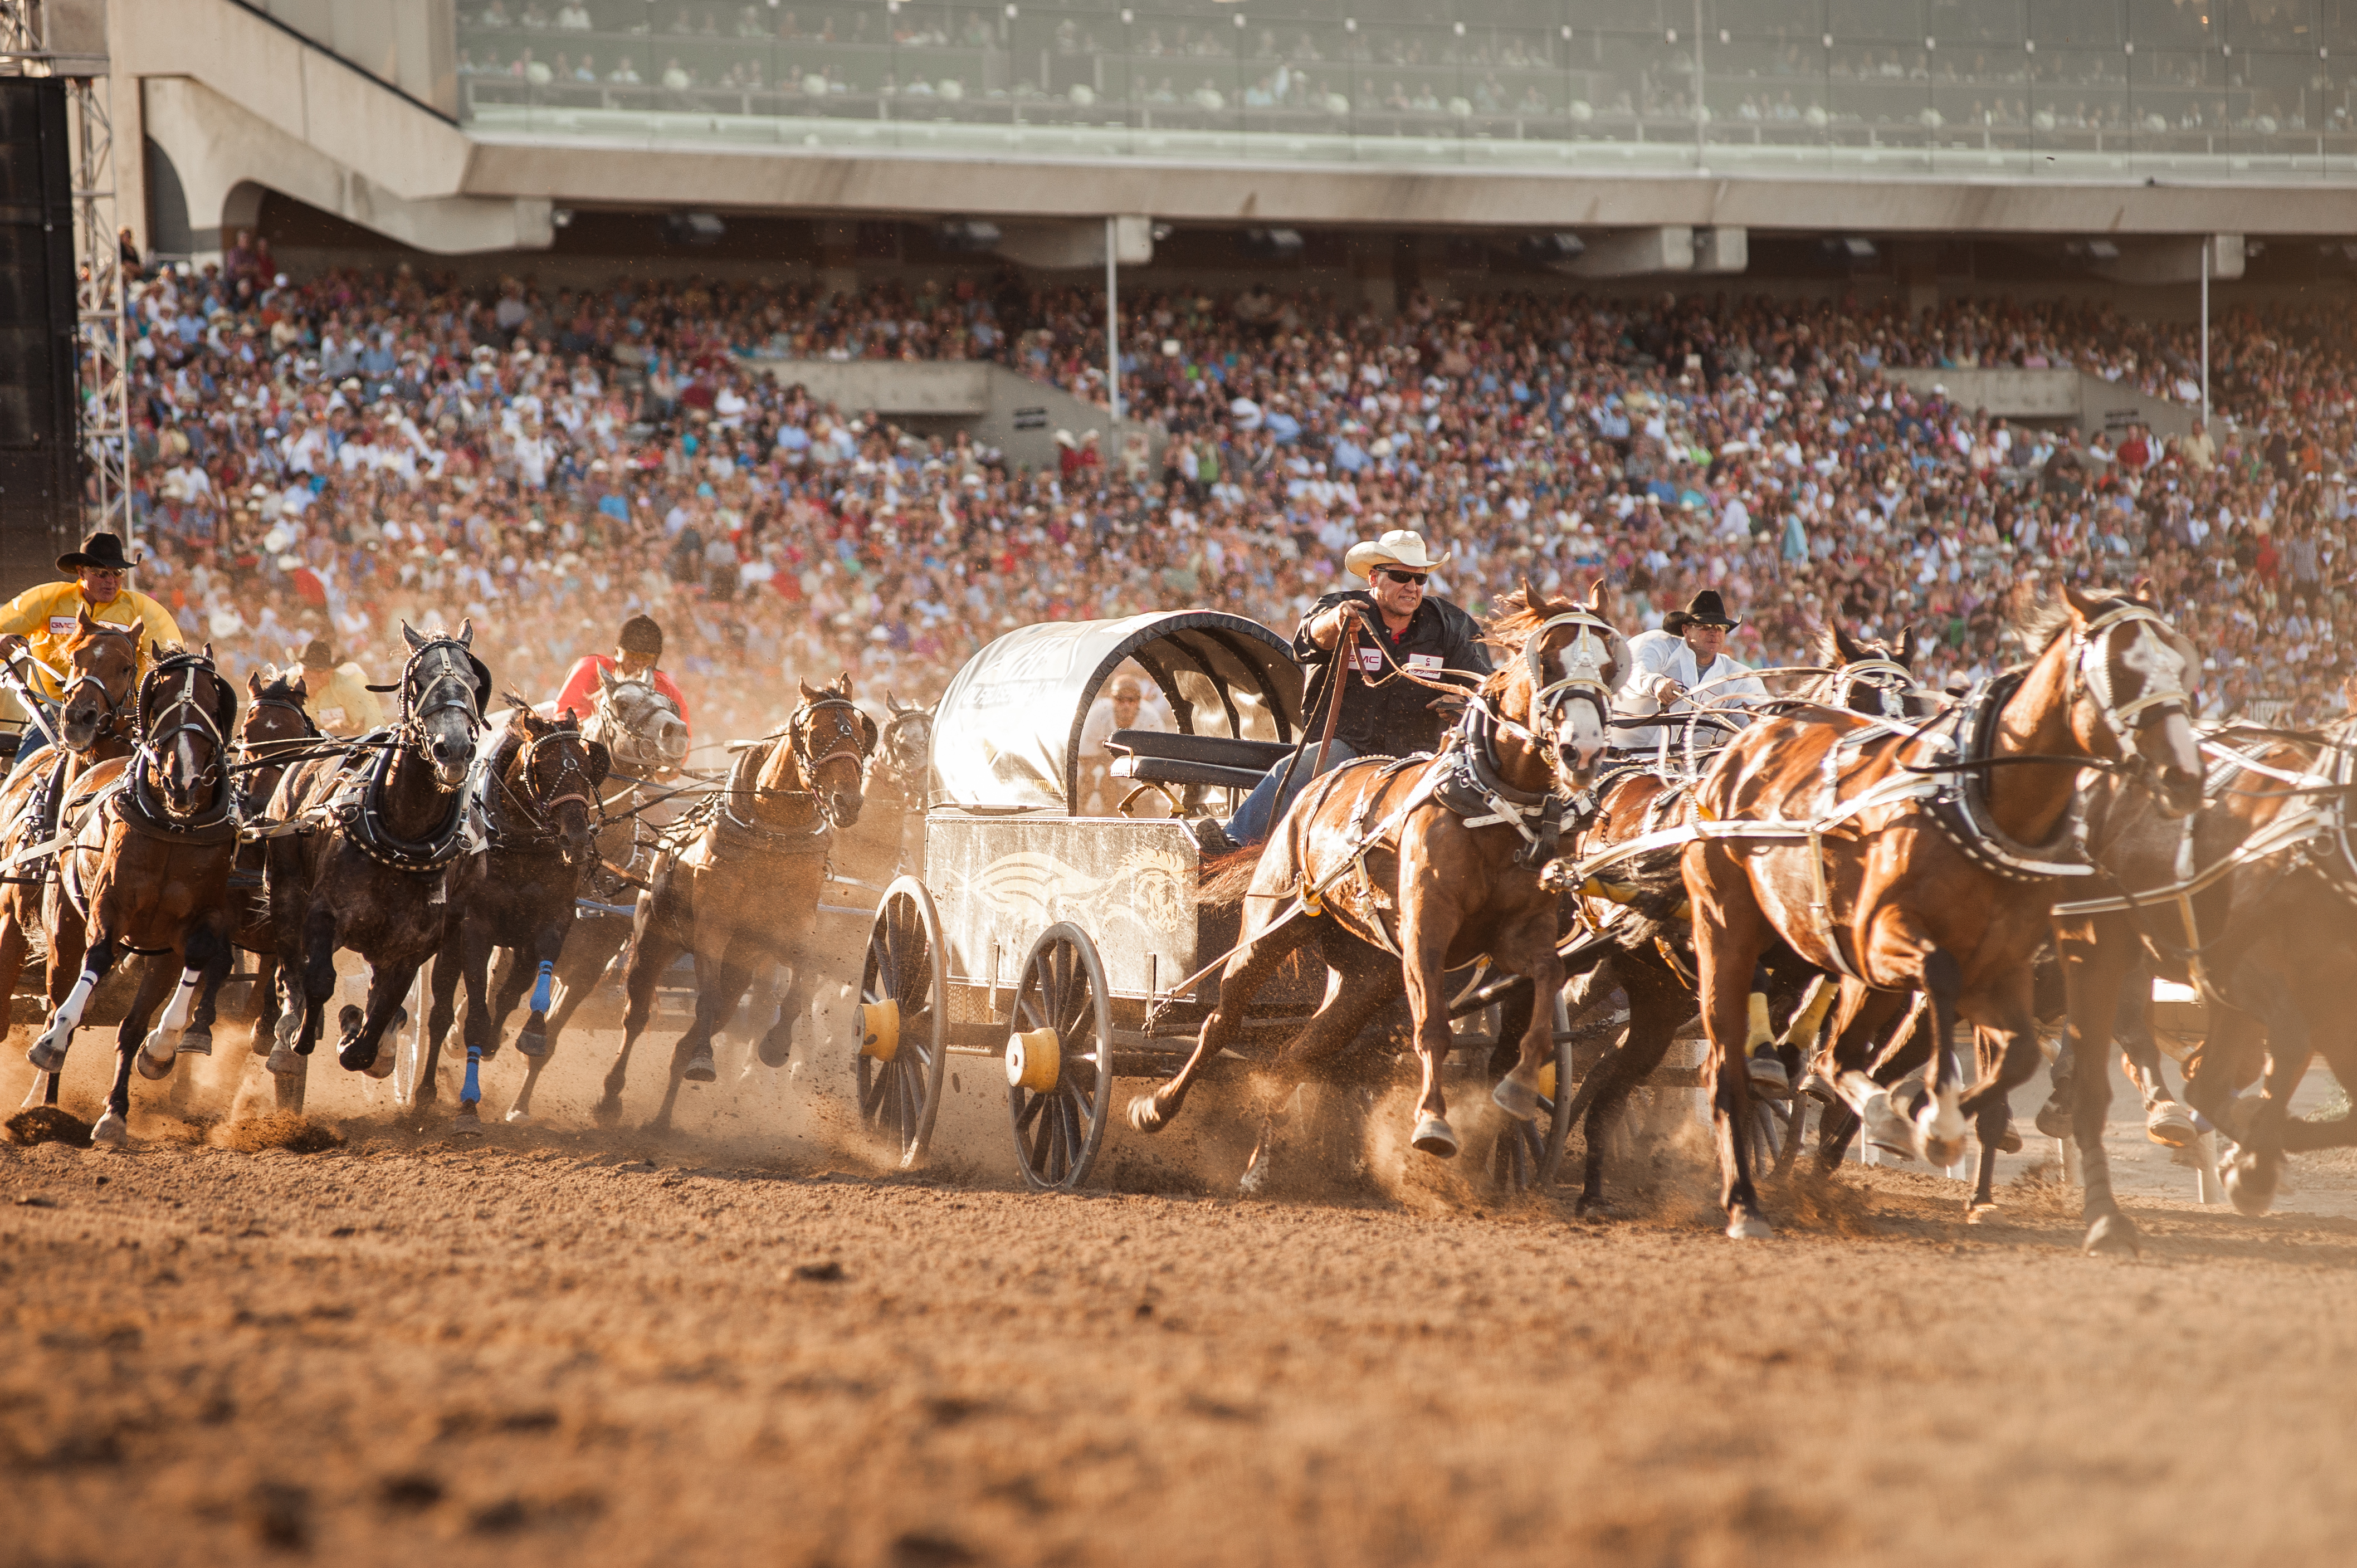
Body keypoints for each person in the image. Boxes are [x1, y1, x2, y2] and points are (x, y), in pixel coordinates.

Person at [1197, 529, 1489, 853]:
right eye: (1402, 575)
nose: (1412, 586)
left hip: (1421, 752)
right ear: (1374, 577)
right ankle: (1233, 845)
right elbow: (1307, 641)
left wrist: (1463, 700)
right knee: (1295, 770)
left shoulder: (1451, 625)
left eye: (1420, 580)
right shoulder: (1340, 607)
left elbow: (1484, 684)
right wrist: (1336, 622)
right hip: (1348, 745)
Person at [0, 530, 186, 765]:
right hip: (57, 709)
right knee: (27, 768)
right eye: (101, 573)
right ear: (81, 572)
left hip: (123, 716)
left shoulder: (144, 609)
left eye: (117, 573)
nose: (111, 580)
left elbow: (174, 661)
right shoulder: (50, 599)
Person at [1614, 589, 1768, 758]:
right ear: (1686, 630)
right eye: (1705, 627)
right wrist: (1655, 682)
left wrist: (1759, 720)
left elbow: (1755, 713)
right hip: (1623, 756)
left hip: (1682, 773)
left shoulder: (1738, 677)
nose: (1714, 633)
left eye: (1720, 628)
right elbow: (1633, 669)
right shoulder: (1660, 645)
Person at [551, 612, 691, 729]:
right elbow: (564, 710)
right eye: (631, 656)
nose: (637, 662)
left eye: (644, 658)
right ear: (618, 652)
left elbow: (682, 732)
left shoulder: (666, 688)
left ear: (655, 661)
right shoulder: (592, 666)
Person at [1076, 670, 1170, 815]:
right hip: (1104, 778)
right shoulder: (1097, 716)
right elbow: (1083, 757)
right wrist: (1110, 767)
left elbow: (1160, 763)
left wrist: (1130, 778)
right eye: (1120, 699)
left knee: (1145, 818)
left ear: (1139, 701)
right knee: (1089, 778)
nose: (1126, 705)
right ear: (1112, 699)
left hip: (1140, 780)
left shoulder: (1152, 721)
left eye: (1132, 700)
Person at [290, 638, 384, 738]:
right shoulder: (288, 684)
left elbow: (372, 729)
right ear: (298, 668)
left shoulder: (347, 689)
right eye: (307, 669)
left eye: (319, 670)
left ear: (330, 671)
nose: (312, 674)